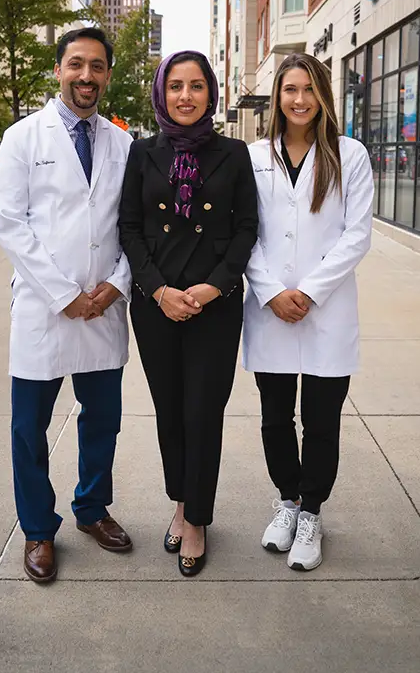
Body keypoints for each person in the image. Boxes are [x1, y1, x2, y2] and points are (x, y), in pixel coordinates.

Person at [0, 27, 134, 584]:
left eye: (97, 66)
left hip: (104, 308)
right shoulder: (24, 137)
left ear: (106, 74)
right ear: (59, 70)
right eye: (76, 64)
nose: (86, 76)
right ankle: (37, 528)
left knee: (103, 422)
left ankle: (92, 510)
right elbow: (11, 226)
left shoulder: (123, 144)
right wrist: (65, 295)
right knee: (29, 428)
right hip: (43, 310)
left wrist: (117, 284)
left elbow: (135, 227)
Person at [119, 51, 258, 577]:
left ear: (211, 94)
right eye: (175, 85)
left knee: (203, 412)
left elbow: (247, 228)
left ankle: (196, 519)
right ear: (161, 92)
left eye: (196, 86)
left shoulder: (234, 153)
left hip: (215, 305)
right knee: (171, 411)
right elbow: (129, 229)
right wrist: (158, 291)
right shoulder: (141, 153)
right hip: (157, 307)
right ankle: (179, 501)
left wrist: (211, 286)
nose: (185, 96)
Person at [244, 52, 374, 572]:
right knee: (275, 418)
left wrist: (312, 291)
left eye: (309, 90)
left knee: (321, 420)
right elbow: (243, 233)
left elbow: (357, 234)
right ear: (277, 97)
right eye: (289, 90)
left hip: (328, 311)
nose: (299, 100)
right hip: (269, 308)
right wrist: (272, 291)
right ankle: (287, 500)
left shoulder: (350, 155)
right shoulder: (254, 156)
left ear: (323, 95)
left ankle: (312, 512)